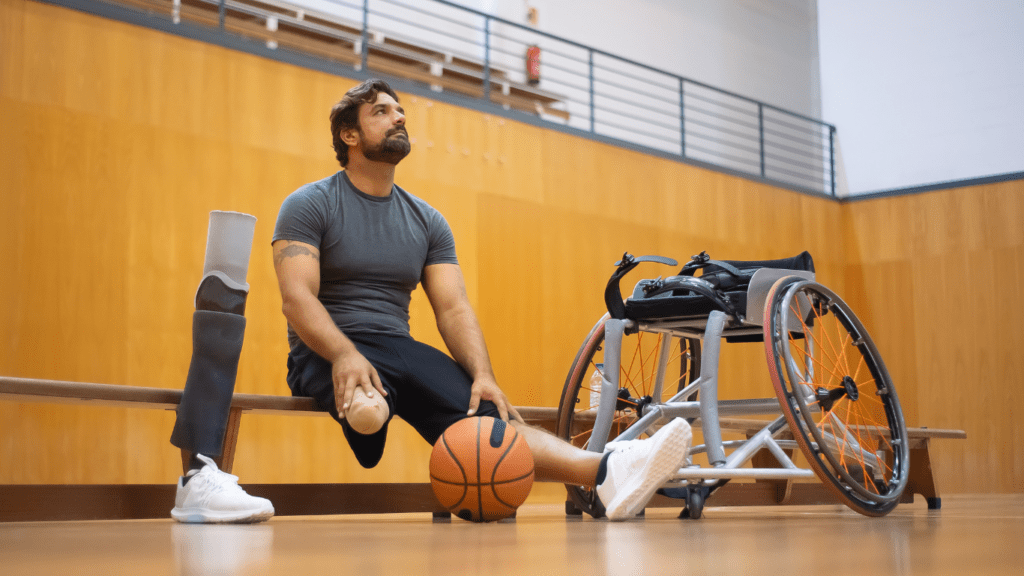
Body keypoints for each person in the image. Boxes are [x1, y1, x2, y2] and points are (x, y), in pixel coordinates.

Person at [271, 79, 692, 520]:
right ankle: (368, 411)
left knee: (491, 419)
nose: (398, 117)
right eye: (381, 111)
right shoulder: (309, 203)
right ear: (349, 135)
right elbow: (297, 299)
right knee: (369, 414)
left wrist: (482, 374)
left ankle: (609, 471)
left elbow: (453, 308)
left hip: (398, 347)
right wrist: (343, 354)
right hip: (324, 350)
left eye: (400, 112)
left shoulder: (428, 221)